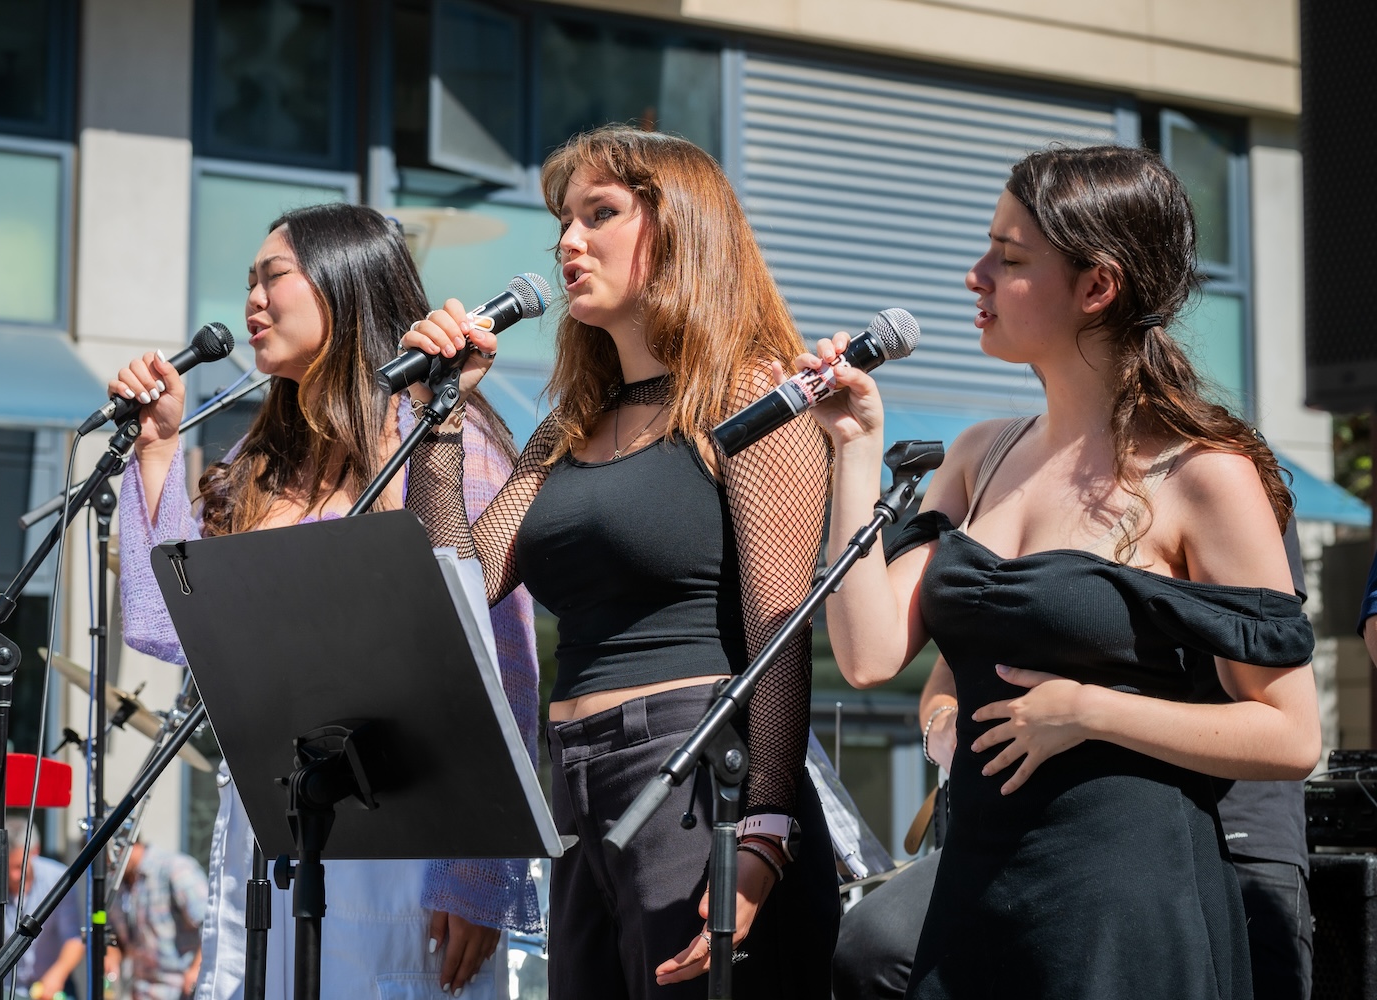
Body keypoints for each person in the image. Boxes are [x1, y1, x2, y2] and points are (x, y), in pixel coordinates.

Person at [809, 144, 1320, 998]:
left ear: (1097, 287)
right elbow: (866, 655)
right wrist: (854, 452)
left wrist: (1089, 712)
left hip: (1125, 902)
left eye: (1009, 260)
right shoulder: (979, 454)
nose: (975, 276)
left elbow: (1291, 737)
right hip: (976, 890)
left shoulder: (1203, 475)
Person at [398, 124, 840, 998]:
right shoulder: (567, 427)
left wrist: (765, 831)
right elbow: (457, 591)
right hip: (574, 779)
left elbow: (781, 627)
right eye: (563, 220)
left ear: (679, 227)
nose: (568, 240)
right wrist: (439, 418)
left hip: (696, 770)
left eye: (600, 214)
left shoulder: (751, 393)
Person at [112, 202, 540, 1000]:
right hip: (277, 826)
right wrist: (158, 448)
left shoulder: (444, 429)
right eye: (248, 280)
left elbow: (499, 654)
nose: (252, 299)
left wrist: (478, 869)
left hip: (407, 840)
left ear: (345, 284)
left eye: (274, 276)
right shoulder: (263, 455)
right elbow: (170, 623)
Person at [0, 817, 86, 999]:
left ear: (35, 851)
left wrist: (56, 975)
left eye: (19, 866)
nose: (13, 875)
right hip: (3, 990)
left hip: (53, 987)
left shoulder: (59, 880)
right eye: (6, 867)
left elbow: (73, 938)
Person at [107, 839, 206, 1000]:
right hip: (140, 990)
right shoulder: (116, 883)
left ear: (121, 846)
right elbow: (115, 935)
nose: (107, 867)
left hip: (180, 990)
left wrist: (197, 970)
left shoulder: (176, 868)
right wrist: (111, 954)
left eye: (107, 860)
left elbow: (210, 926)